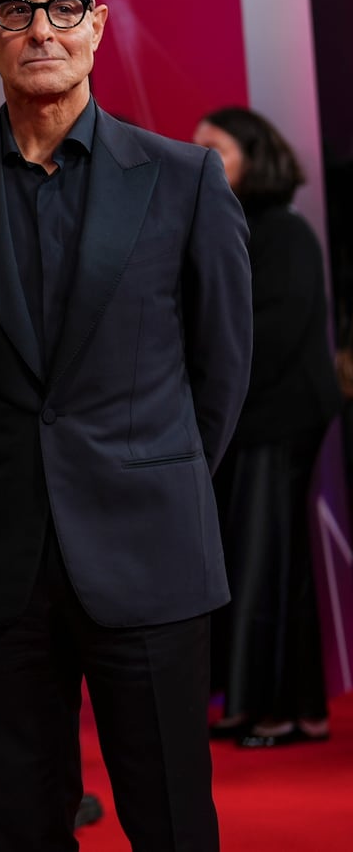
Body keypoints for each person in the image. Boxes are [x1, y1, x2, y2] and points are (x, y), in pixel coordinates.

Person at [0, 0, 252, 851]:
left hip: (151, 553)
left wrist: (154, 475)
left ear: (96, 26)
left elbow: (223, 369)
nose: (40, 28)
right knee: (23, 821)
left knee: (172, 817)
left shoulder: (184, 179)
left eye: (63, 8)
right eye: (16, 12)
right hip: (4, 562)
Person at [194, 107, 341, 748]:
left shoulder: (280, 231)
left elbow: (267, 338)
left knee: (261, 560)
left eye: (215, 149)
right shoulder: (244, 226)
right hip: (259, 421)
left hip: (276, 421)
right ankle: (293, 709)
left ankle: (265, 710)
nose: (200, 159)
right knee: (276, 562)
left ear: (254, 156)